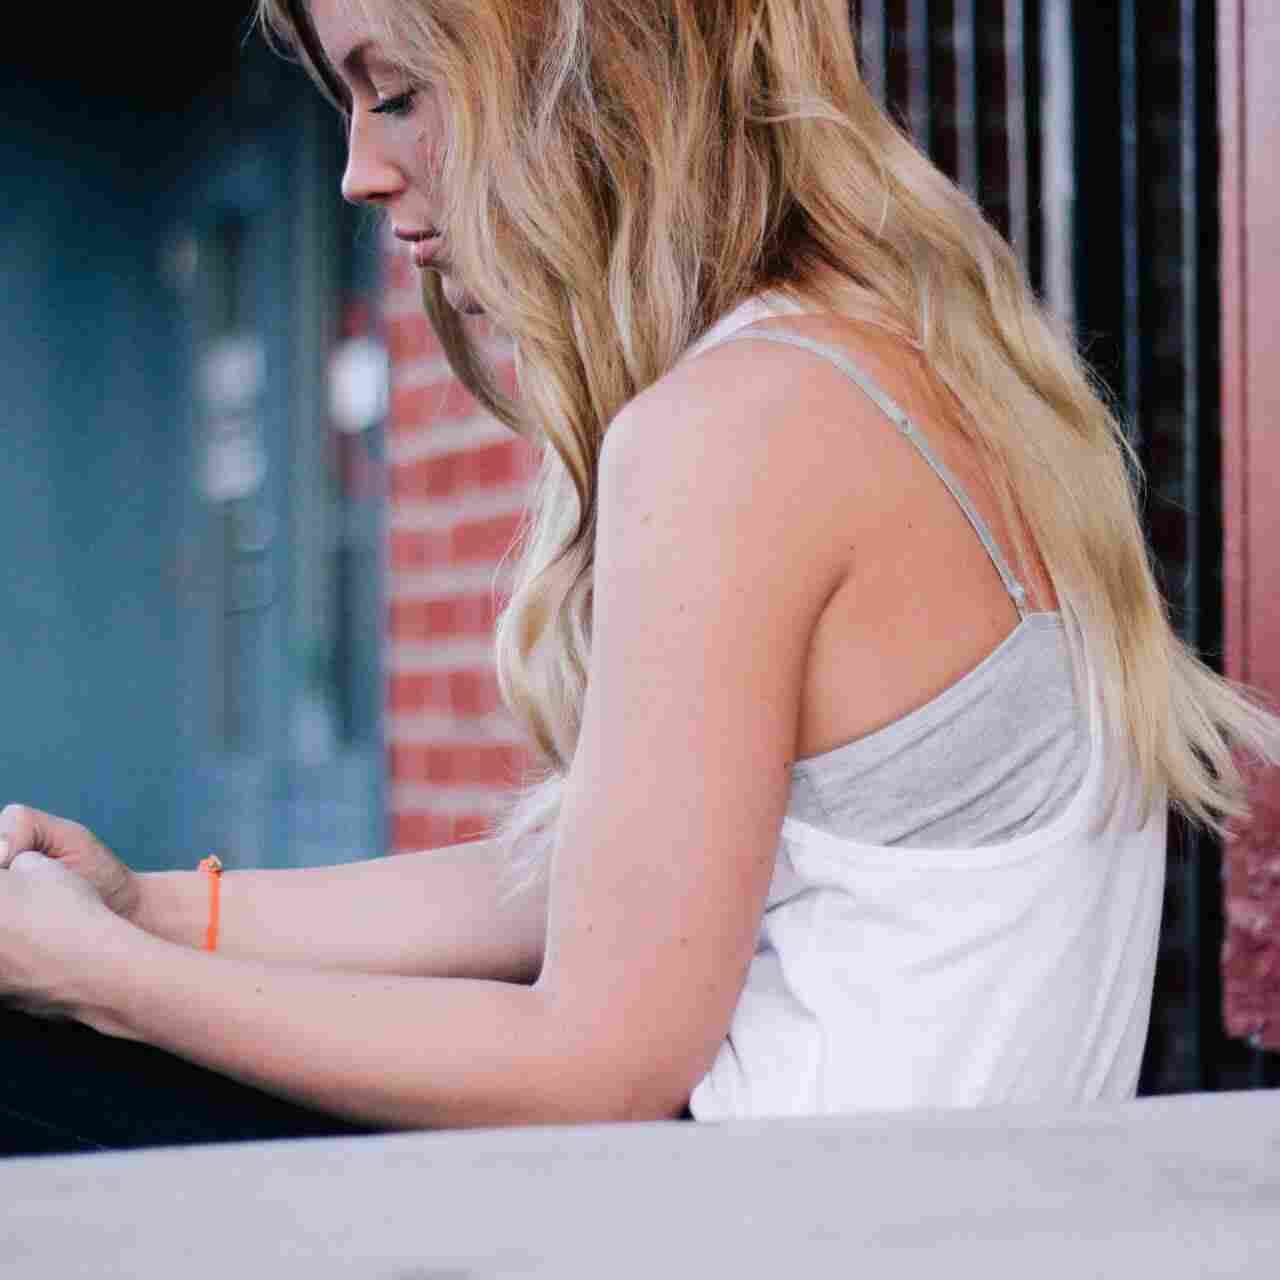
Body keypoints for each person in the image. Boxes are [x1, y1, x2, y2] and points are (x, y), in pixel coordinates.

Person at [3, 0, 1279, 1157]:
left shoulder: (743, 422)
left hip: (772, 1222)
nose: (357, 169)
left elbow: (594, 1060)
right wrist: (147, 907)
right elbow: (603, 892)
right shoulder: (910, 373)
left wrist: (102, 977)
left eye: (396, 92)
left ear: (590, 62)